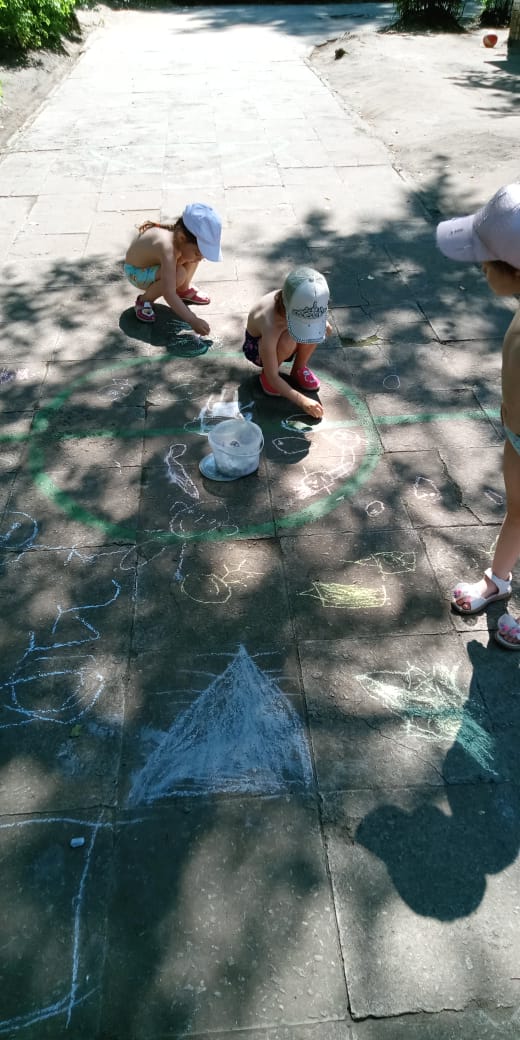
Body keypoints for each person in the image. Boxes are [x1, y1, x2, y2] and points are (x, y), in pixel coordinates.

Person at [436, 182, 520, 649]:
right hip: (517, 434)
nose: (481, 267)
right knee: (518, 512)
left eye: (487, 261)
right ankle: (498, 580)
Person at [242, 267, 332, 419]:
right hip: (258, 348)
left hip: (282, 336)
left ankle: (298, 369)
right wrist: (303, 401)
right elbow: (274, 377)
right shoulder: (271, 323)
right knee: (288, 341)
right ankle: (267, 373)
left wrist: (320, 325)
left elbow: (323, 325)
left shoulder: (300, 301)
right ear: (287, 308)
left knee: (320, 328)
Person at [124, 202, 222, 335]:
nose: (201, 259)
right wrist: (192, 320)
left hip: (154, 265)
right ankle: (144, 301)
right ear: (182, 237)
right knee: (178, 274)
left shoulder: (181, 235)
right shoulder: (168, 249)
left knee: (191, 257)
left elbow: (192, 253)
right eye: (199, 252)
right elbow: (168, 293)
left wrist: (196, 255)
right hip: (136, 272)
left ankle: (183, 290)